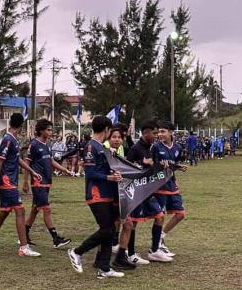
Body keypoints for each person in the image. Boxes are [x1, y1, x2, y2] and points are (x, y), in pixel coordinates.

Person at [68, 115, 125, 278]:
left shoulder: (101, 147)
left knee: (109, 230)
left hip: (107, 194)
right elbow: (91, 173)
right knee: (107, 229)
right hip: (96, 194)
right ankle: (77, 252)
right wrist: (110, 177)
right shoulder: (90, 147)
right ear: (107, 129)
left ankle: (104, 268)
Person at [0, 113, 39, 258]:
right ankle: (24, 247)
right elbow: (0, 161)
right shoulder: (8, 139)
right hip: (6, 182)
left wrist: (32, 171)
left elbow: (17, 159)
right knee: (20, 210)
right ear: (21, 125)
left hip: (10, 181)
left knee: (4, 212)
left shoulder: (14, 140)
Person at [115, 120, 167, 267]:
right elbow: (126, 169)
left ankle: (155, 250)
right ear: (145, 133)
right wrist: (142, 164)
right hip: (137, 191)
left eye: (158, 133)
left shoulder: (152, 147)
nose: (157, 135)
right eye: (155, 133)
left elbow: (152, 166)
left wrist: (159, 166)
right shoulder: (135, 149)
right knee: (133, 223)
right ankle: (130, 254)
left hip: (148, 190)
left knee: (160, 216)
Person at [22, 118, 74, 251]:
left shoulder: (46, 145)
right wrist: (26, 182)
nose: (51, 132)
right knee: (46, 209)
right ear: (41, 131)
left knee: (35, 209)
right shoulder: (33, 144)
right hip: (38, 182)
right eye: (49, 130)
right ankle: (56, 239)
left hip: (47, 182)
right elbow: (26, 163)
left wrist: (65, 170)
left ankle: (23, 235)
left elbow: (51, 161)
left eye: (51, 130)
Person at [152, 120, 188, 255]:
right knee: (159, 216)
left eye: (163, 131)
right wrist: (160, 167)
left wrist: (178, 167)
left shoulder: (177, 147)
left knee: (180, 214)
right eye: (159, 132)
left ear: (171, 132)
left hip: (172, 184)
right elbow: (151, 166)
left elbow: (174, 164)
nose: (160, 134)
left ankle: (161, 236)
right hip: (159, 185)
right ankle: (155, 246)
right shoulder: (156, 147)